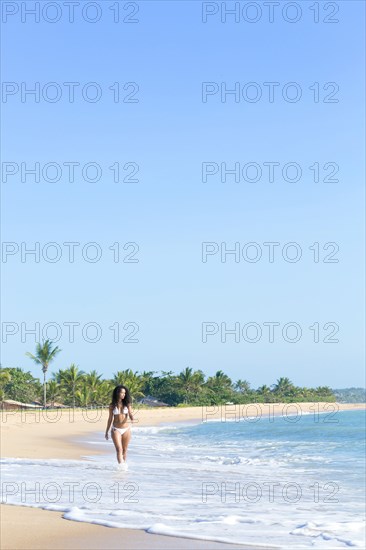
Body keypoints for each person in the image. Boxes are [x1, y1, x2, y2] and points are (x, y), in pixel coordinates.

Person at [105, 385, 134, 465]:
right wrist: (107, 431)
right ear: (117, 393)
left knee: (124, 450)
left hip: (126, 429)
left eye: (125, 393)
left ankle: (123, 468)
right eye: (122, 393)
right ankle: (121, 467)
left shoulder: (127, 404)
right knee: (119, 449)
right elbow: (110, 419)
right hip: (116, 429)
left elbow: (130, 413)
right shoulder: (112, 405)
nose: (124, 394)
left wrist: (132, 417)